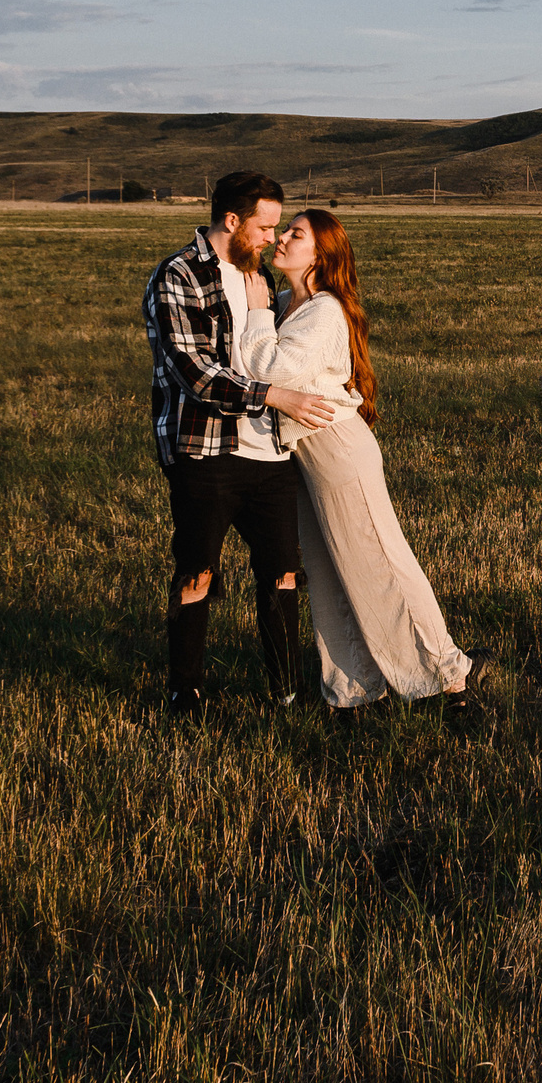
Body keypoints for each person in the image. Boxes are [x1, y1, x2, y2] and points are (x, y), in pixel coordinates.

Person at [243, 207, 494, 713]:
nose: (282, 239)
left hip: (336, 448)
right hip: (302, 453)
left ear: (322, 255)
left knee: (378, 562)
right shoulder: (290, 301)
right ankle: (353, 691)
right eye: (284, 229)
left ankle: (447, 676)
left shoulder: (324, 311)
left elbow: (267, 368)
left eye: (297, 234)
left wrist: (255, 314)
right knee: (328, 571)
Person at [141, 171, 337, 716]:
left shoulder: (264, 288)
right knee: (197, 570)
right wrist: (275, 395)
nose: (276, 238)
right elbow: (194, 373)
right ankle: (185, 690)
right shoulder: (176, 275)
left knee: (282, 573)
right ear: (233, 222)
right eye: (267, 226)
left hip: (270, 455)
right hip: (204, 454)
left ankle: (286, 692)